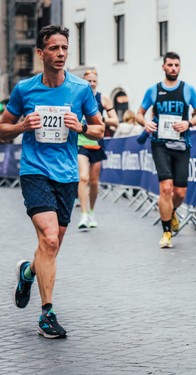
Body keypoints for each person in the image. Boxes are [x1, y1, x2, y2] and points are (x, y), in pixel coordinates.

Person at [0, 25, 104, 339]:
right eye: (54, 49)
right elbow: (2, 128)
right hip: (34, 172)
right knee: (49, 240)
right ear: (41, 53)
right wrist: (20, 126)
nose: (60, 54)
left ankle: (27, 272)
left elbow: (99, 131)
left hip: (66, 175)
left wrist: (82, 125)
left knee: (51, 248)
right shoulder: (24, 89)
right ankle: (47, 314)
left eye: (64, 48)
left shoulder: (80, 89)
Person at [136, 51, 196, 248]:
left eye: (177, 65)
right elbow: (139, 114)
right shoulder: (154, 90)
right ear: (163, 67)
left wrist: (189, 123)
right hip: (160, 144)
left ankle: (172, 211)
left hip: (182, 144)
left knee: (180, 193)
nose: (173, 68)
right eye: (170, 65)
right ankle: (166, 232)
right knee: (165, 188)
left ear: (180, 67)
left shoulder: (187, 90)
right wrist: (145, 122)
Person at [77, 69, 119, 229]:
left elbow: (115, 121)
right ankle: (83, 214)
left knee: (94, 182)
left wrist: (103, 120)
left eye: (94, 81)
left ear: (97, 82)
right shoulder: (78, 97)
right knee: (83, 177)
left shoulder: (103, 98)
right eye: (89, 81)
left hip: (97, 143)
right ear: (84, 81)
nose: (92, 83)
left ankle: (92, 212)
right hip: (80, 143)